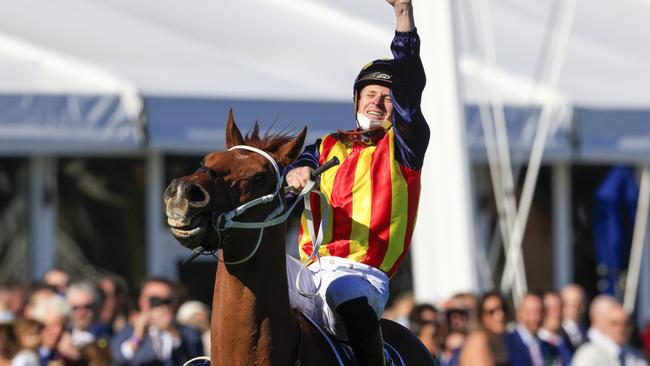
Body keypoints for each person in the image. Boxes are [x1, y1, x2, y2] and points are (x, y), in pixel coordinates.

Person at [284, 0, 428, 365]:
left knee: (344, 290)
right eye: (370, 95)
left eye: (388, 98)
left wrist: (402, 18)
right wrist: (294, 172)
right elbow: (298, 166)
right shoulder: (326, 145)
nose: (378, 103)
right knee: (245, 276)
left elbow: (410, 87)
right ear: (356, 101)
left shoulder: (405, 146)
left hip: (361, 277)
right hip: (307, 273)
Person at [110, 278, 203, 366]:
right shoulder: (127, 331)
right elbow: (116, 359)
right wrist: (137, 338)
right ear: (142, 301)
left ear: (175, 303)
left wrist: (173, 333)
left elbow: (196, 360)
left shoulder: (189, 333)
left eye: (166, 301)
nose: (160, 306)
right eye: (154, 300)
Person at [573, 301, 648, 366]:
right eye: (614, 323)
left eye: (626, 324)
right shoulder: (588, 354)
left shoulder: (637, 357)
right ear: (604, 326)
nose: (621, 329)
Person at [503, 293, 562, 366]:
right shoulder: (507, 343)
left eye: (540, 311)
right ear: (519, 313)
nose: (537, 317)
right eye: (532, 312)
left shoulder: (549, 348)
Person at [459, 291, 510, 366]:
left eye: (503, 309)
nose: (500, 315)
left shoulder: (498, 340)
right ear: (481, 316)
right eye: (492, 312)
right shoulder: (479, 340)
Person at [66, 281, 111, 348]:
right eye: (76, 308)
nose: (82, 313)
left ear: (96, 307)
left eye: (87, 307)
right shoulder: (62, 334)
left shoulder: (106, 334)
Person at [538, 292, 573, 365]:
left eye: (560, 307)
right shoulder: (537, 345)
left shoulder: (567, 341)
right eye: (550, 308)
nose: (557, 312)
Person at [560, 283, 588, 349]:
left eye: (582, 303)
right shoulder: (558, 334)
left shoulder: (586, 332)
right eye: (574, 304)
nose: (580, 308)